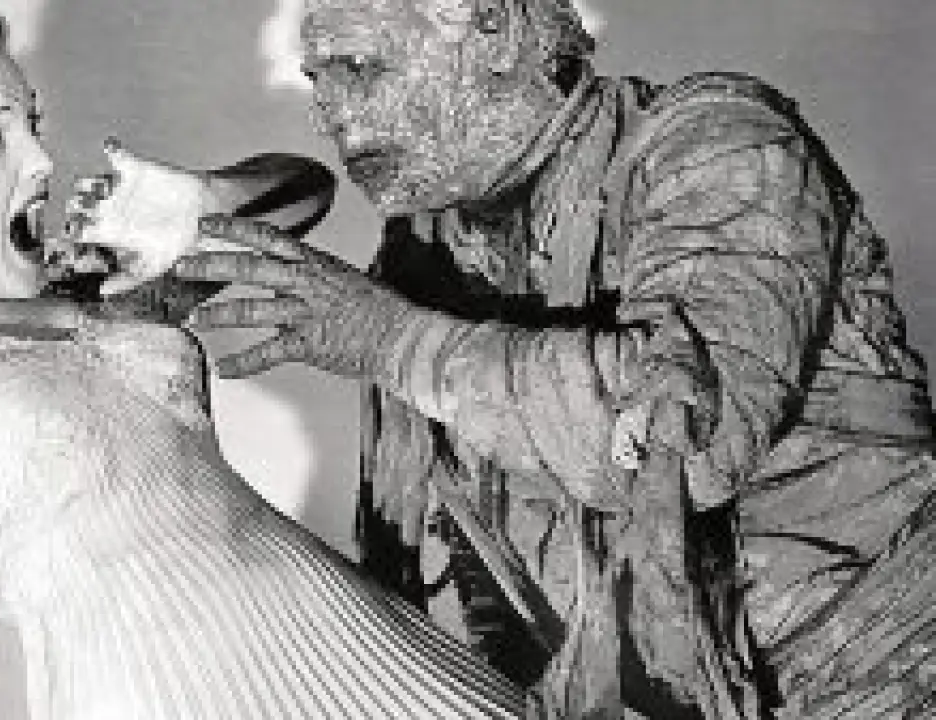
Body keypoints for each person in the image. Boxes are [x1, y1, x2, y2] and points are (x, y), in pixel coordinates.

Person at [0, 11, 545, 720]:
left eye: (32, 125)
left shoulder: (103, 286)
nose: (40, 159)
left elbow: (302, 192)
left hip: (381, 660)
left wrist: (202, 197)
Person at [174, 0, 936, 717]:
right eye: (318, 78)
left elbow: (688, 446)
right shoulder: (425, 248)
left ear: (495, 32)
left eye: (359, 68)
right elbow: (455, 564)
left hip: (887, 678)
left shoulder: (720, 144)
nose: (328, 113)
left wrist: (392, 340)